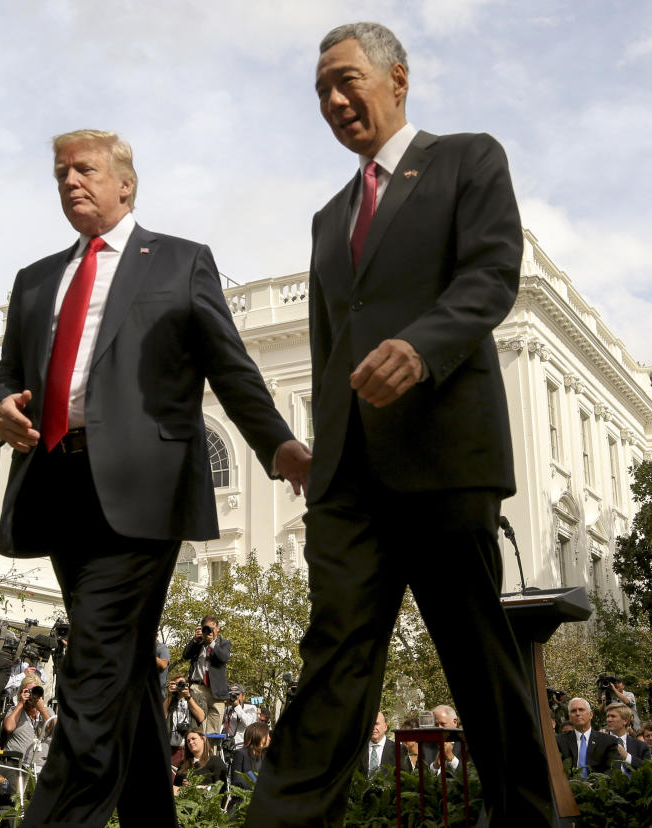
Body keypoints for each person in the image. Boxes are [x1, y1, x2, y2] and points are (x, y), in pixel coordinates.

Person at [247, 22, 552, 827]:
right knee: (332, 662)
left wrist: (421, 348)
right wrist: (318, 451)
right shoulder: (327, 217)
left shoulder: (467, 159)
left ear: (399, 79)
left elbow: (492, 275)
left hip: (446, 457)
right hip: (350, 480)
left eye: (348, 81)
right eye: (321, 91)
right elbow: (326, 345)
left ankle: (527, 816)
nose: (335, 101)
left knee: (478, 660)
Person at [0, 127, 309, 828]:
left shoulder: (180, 262)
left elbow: (230, 366)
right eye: (60, 172)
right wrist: (1, 407)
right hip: (58, 488)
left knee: (95, 669)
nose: (71, 181)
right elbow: (8, 376)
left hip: (145, 493)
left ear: (126, 183)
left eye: (86, 170)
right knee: (125, 672)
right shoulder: (35, 279)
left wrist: (279, 448)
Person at [182, 616, 231, 735]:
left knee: (213, 733)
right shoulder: (198, 643)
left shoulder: (224, 643)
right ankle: (198, 754)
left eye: (212, 628)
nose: (209, 631)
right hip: (198, 688)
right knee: (197, 729)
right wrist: (194, 640)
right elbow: (185, 655)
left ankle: (211, 754)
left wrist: (212, 644)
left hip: (217, 692)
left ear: (217, 629)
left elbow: (223, 658)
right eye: (206, 628)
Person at [556, 698, 618, 775]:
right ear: (569, 717)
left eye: (581, 710)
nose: (577, 713)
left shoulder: (608, 741)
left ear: (591, 715)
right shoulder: (559, 741)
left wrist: (595, 783)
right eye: (573, 711)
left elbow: (613, 769)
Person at [3, 680, 52, 769]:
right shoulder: (14, 709)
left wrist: (41, 709)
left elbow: (52, 729)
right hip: (16, 763)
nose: (31, 694)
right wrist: (21, 703)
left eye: (35, 691)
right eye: (28, 691)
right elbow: (8, 728)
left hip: (42, 765)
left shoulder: (48, 711)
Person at [165, 675, 208, 772]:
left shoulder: (198, 697)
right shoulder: (169, 698)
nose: (179, 686)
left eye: (182, 683)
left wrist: (188, 696)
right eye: (177, 684)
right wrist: (169, 696)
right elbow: (161, 716)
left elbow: (201, 717)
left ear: (187, 685)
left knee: (188, 781)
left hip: (191, 750)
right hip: (172, 750)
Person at [603, 703, 649, 771]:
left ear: (625, 721)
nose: (608, 720)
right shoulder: (600, 742)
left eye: (613, 716)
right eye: (607, 716)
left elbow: (649, 769)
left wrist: (627, 756)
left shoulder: (640, 746)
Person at [358, 711, 403, 776]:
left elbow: (404, 779)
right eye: (371, 724)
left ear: (385, 727)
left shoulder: (398, 749)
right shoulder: (359, 749)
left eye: (376, 724)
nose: (373, 728)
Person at [231, 722, 271, 790]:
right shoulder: (240, 754)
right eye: (267, 735)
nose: (269, 738)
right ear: (259, 735)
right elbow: (236, 781)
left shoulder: (265, 756)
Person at [223, 684, 258, 750]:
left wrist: (237, 706)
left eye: (237, 694)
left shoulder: (251, 708)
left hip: (243, 747)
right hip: (228, 746)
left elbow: (248, 723)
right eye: (231, 694)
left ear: (243, 696)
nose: (234, 697)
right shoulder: (227, 709)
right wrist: (223, 704)